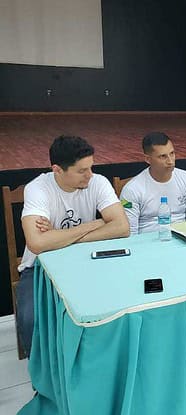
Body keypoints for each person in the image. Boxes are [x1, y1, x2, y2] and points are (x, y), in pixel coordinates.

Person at [17, 135, 129, 357]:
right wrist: (94, 224)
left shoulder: (97, 182)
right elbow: (37, 244)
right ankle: (44, 370)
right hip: (39, 268)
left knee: (118, 301)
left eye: (91, 167)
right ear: (57, 170)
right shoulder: (37, 188)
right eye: (81, 171)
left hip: (87, 260)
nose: (90, 175)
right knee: (31, 318)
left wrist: (58, 238)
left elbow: (122, 228)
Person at [120, 132, 186, 234]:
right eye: (163, 156)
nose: (170, 161)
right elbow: (130, 232)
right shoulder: (131, 189)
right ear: (148, 159)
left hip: (183, 237)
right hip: (148, 240)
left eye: (172, 153)